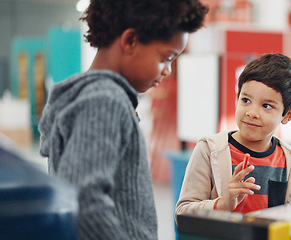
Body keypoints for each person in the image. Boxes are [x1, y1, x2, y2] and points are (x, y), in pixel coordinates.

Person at [38, 0, 208, 239]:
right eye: (166, 57)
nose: (168, 70)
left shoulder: (94, 98)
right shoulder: (105, 101)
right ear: (130, 41)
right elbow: (85, 202)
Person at [175, 53, 291, 222]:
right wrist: (221, 205)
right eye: (245, 100)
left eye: (266, 106)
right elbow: (182, 213)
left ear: (288, 115)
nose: (251, 113)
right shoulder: (210, 149)